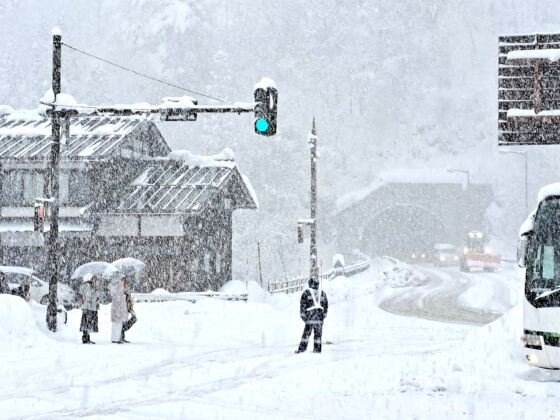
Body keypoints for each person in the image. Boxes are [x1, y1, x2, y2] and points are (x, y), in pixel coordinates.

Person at [295, 278, 329, 354]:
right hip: (319, 318)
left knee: (306, 334)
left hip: (310, 317)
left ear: (310, 284)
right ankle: (317, 350)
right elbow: (326, 305)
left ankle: (302, 349)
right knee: (318, 335)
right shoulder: (322, 293)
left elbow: (302, 305)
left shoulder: (306, 293)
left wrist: (303, 316)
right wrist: (323, 315)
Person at [79, 273, 99, 344]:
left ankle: (86, 338)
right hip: (88, 307)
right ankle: (85, 338)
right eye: (93, 278)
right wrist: (94, 292)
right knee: (87, 323)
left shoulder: (89, 286)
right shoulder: (87, 286)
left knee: (87, 323)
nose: (94, 280)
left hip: (89, 307)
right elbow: (88, 296)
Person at [110, 274, 128, 344]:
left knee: (117, 324)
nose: (124, 280)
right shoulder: (118, 287)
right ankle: (116, 339)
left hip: (118, 309)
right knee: (117, 324)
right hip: (118, 309)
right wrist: (123, 296)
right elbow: (117, 298)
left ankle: (116, 338)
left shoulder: (119, 287)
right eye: (123, 279)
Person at [120, 276, 137, 343]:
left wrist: (131, 305)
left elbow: (128, 297)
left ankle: (121, 334)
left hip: (128, 306)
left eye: (125, 279)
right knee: (122, 322)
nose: (126, 280)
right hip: (123, 307)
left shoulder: (126, 287)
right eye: (124, 279)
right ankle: (121, 336)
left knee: (134, 319)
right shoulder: (121, 288)